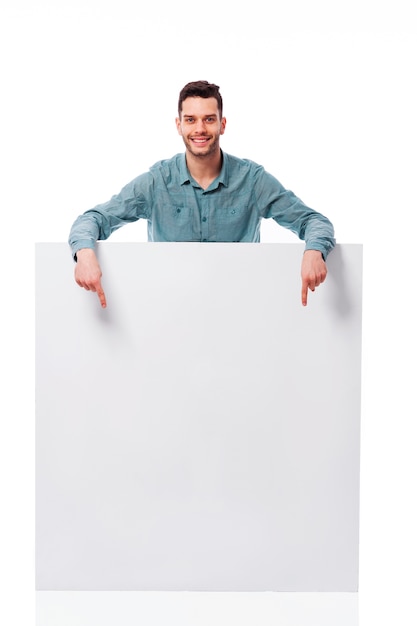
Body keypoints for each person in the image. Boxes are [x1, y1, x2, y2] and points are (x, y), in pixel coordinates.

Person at [69, 80, 335, 309]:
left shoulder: (252, 180)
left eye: (209, 119)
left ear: (222, 124)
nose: (200, 129)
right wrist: (85, 252)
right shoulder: (157, 181)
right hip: (169, 310)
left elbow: (314, 221)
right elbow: (93, 219)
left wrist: (314, 251)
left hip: (241, 308)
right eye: (190, 120)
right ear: (179, 125)